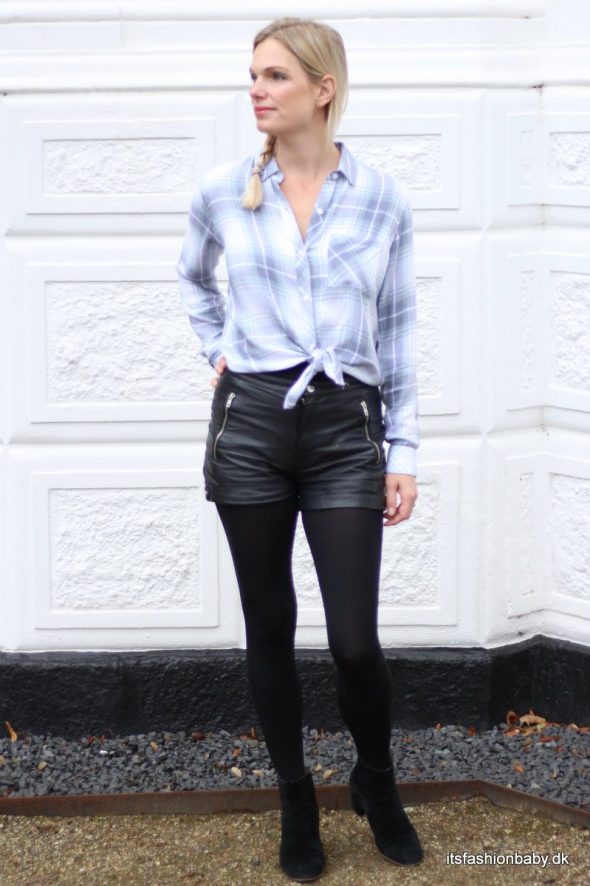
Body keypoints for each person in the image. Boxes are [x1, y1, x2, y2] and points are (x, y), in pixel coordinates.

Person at [175, 15, 422, 882]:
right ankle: (294, 798)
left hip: (346, 426)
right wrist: (219, 349)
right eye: (253, 75)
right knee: (270, 625)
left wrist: (403, 449)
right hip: (251, 425)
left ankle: (376, 780)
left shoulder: (381, 198)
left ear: (323, 89)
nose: (257, 90)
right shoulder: (223, 191)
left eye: (275, 76)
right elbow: (191, 278)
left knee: (354, 640)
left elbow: (397, 330)